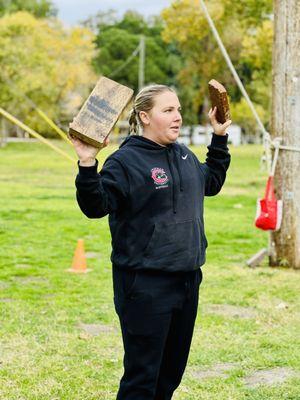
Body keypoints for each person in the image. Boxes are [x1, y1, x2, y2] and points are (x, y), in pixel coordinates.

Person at [69, 84, 231, 400]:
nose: (178, 117)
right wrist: (88, 162)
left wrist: (220, 137)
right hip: (144, 285)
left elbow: (210, 182)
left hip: (187, 281)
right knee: (142, 380)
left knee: (169, 376)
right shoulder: (125, 161)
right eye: (168, 110)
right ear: (144, 116)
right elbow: (95, 206)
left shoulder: (183, 154)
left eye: (179, 110)